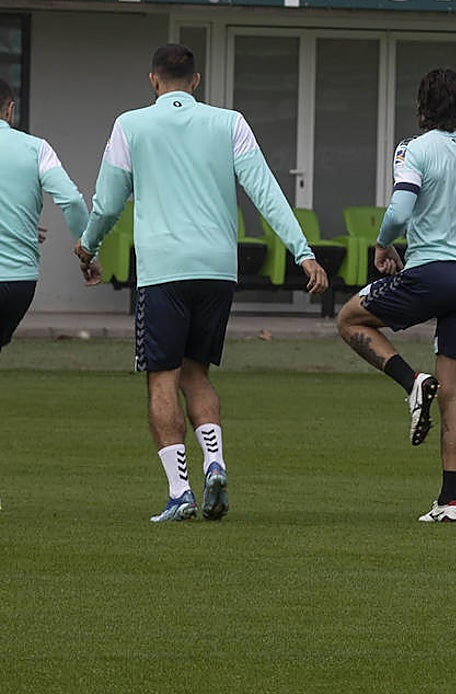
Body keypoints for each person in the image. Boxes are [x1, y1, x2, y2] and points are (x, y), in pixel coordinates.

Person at [75, 44, 329, 523]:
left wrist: (88, 247)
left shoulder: (131, 124)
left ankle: (179, 493)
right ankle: (215, 461)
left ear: (153, 80)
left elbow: (108, 203)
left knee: (162, 378)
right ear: (195, 81)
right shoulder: (229, 122)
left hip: (164, 271)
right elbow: (266, 191)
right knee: (197, 374)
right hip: (217, 270)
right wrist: (303, 251)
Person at [336, 68, 456, 523]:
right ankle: (450, 501)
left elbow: (400, 210)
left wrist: (383, 245)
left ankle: (410, 381)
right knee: (455, 394)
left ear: (422, 106)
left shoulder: (413, 149)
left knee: (349, 319)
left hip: (429, 272)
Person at [0, 78, 90, 358]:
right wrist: (88, 251)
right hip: (19, 282)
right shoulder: (36, 148)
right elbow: (73, 201)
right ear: (9, 109)